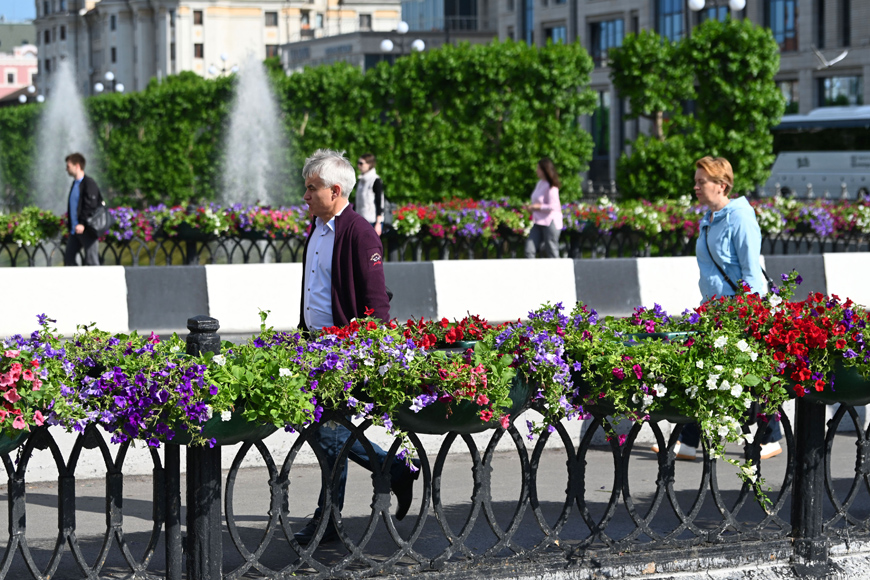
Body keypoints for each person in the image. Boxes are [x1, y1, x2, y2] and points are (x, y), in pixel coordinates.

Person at [294, 149, 418, 546]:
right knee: (325, 430)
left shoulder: (360, 232)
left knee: (331, 433)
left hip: (344, 351)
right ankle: (394, 468)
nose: (305, 196)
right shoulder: (317, 229)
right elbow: (314, 289)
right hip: (313, 346)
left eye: (311, 188)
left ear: (335, 190)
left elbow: (376, 303)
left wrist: (366, 353)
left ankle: (330, 518)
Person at [653, 156, 782, 461]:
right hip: (713, 311)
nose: (696, 187)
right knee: (704, 370)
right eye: (696, 181)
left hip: (738, 312)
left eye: (702, 182)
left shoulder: (740, 217)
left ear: (722, 185)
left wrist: (751, 314)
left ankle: (769, 438)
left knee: (742, 374)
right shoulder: (710, 218)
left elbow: (751, 271)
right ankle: (689, 441)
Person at [63, 153, 102, 266]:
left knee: (91, 261)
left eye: (68, 166)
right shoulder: (75, 184)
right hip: (75, 230)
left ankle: (95, 278)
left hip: (87, 229)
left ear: (77, 166)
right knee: (69, 259)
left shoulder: (88, 183)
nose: (66, 169)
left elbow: (91, 205)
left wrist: (82, 223)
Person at [524, 158, 563, 259]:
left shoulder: (552, 186)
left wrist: (537, 207)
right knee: (529, 249)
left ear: (545, 170)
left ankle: (557, 268)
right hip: (538, 221)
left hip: (550, 222)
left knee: (551, 250)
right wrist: (531, 207)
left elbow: (553, 206)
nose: (537, 171)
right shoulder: (540, 183)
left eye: (539, 169)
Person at [353, 153, 386, 236]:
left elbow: (379, 202)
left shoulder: (375, 180)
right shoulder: (360, 180)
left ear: (369, 164)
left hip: (372, 222)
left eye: (361, 163)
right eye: (358, 163)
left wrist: (378, 223)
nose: (358, 166)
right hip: (360, 220)